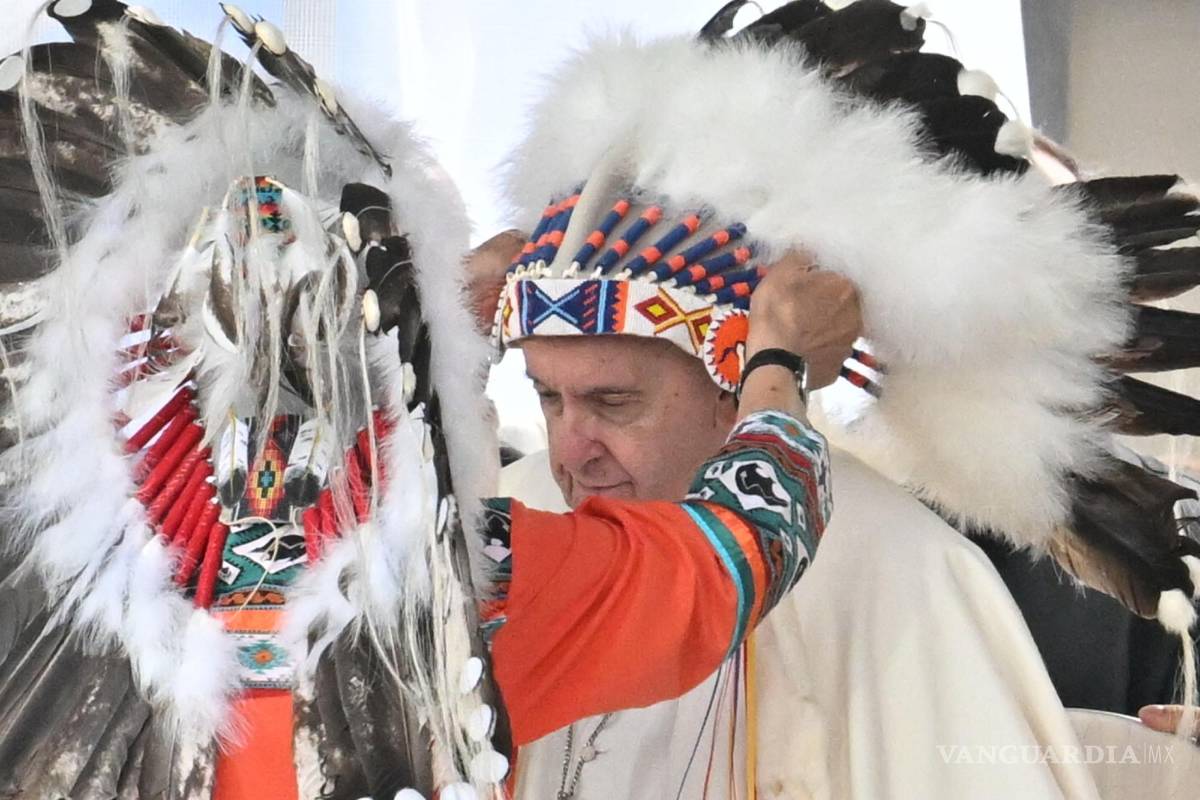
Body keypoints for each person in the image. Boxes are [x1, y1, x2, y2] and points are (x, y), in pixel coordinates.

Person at [480, 1, 1200, 796]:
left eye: (614, 403)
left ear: (740, 387)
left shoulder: (900, 570)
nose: (569, 449)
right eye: (547, 398)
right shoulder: (503, 533)